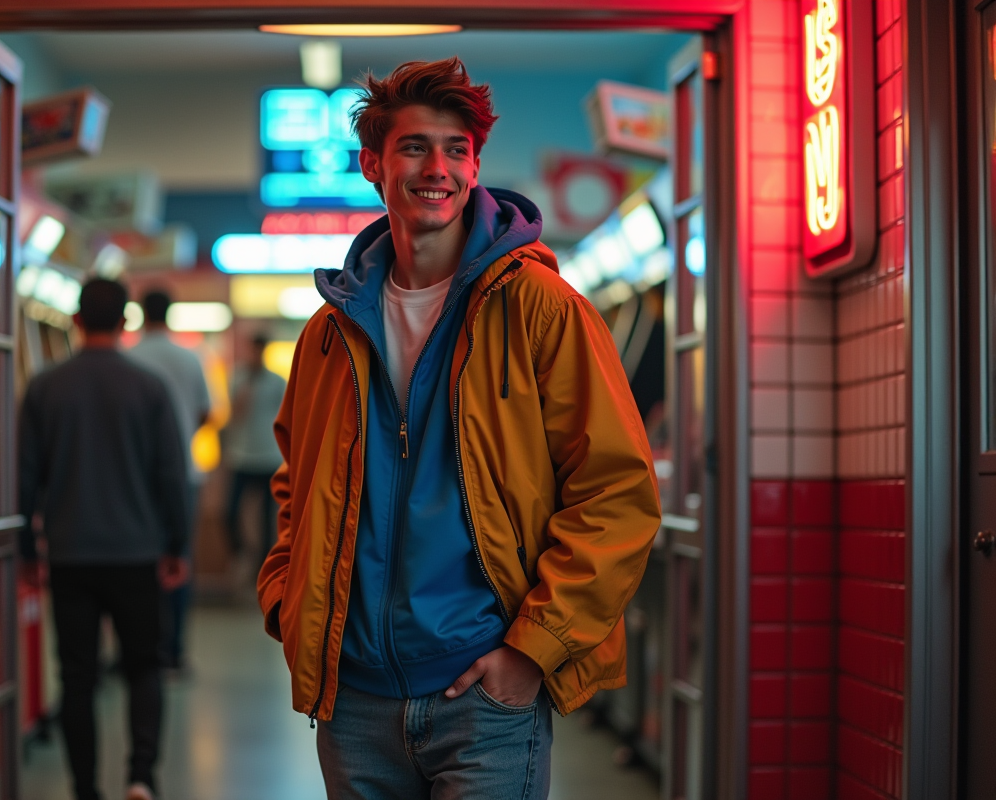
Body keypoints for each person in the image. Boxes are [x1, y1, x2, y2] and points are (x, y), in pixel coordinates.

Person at [257, 58, 661, 800]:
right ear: (373, 164)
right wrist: (289, 603)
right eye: (413, 147)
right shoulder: (329, 333)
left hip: (485, 698)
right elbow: (298, 481)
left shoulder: (542, 309)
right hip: (354, 700)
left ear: (474, 167)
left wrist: (532, 654)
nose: (435, 167)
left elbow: (617, 493)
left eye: (454, 149)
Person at [18, 278, 191, 800]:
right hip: (137, 554)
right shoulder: (148, 387)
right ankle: (141, 776)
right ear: (125, 323)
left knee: (77, 678)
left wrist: (29, 551)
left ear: (75, 320)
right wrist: (177, 546)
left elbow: (27, 478)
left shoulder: (45, 387)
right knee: (143, 667)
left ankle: (85, 788)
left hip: (70, 554)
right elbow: (171, 475)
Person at [128, 289, 212, 671]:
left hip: (135, 477)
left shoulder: (131, 357)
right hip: (183, 475)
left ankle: (138, 649)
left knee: (137, 561)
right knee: (178, 557)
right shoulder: (189, 358)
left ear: (142, 313)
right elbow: (204, 413)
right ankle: (174, 651)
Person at [222, 333, 286, 576]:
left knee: (268, 519)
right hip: (241, 456)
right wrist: (248, 382)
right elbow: (235, 413)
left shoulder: (277, 381)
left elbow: (285, 417)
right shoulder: (238, 377)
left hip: (269, 457)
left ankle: (263, 568)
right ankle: (241, 552)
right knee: (229, 512)